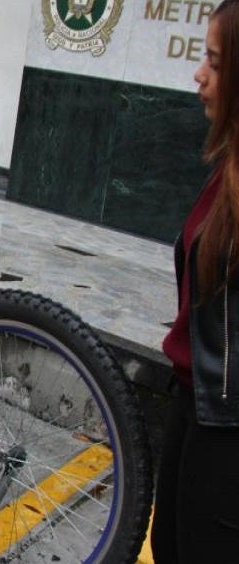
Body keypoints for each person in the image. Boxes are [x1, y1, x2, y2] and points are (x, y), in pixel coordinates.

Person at [151, 1, 239, 562]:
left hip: (227, 423)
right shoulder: (228, 169)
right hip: (196, 400)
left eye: (214, 61)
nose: (198, 74)